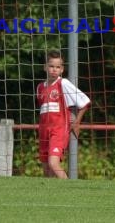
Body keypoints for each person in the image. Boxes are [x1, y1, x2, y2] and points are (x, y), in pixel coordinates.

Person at [36, 49, 91, 179]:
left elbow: (85, 102)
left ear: (62, 69)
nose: (54, 69)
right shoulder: (40, 87)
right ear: (45, 67)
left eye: (57, 67)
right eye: (51, 66)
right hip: (44, 131)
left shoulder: (63, 83)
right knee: (46, 170)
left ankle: (70, 191)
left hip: (59, 130)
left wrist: (77, 121)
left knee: (53, 164)